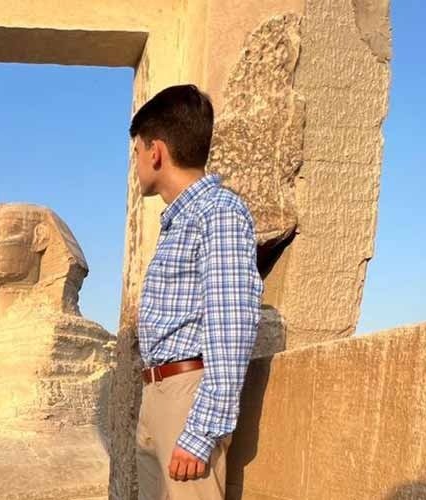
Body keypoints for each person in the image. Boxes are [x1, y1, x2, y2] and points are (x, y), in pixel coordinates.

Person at [130, 85, 263, 500]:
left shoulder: (218, 212)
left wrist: (201, 431)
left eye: (137, 152)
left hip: (187, 398)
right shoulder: (182, 219)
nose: (136, 163)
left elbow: (231, 325)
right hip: (159, 393)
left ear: (156, 152)